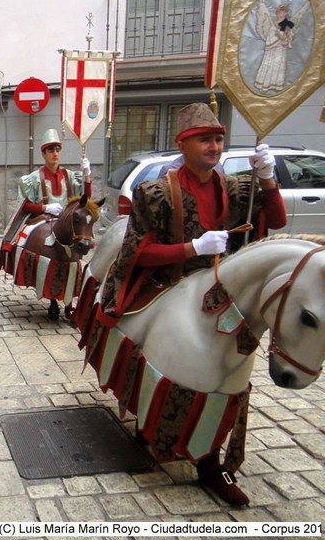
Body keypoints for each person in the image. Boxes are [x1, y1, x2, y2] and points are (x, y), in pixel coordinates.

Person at [91, 103, 286, 506]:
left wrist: (268, 180)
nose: (214, 146)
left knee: (234, 360)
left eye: (218, 138)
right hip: (169, 280)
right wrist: (190, 247)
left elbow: (278, 223)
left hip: (223, 285)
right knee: (143, 335)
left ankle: (211, 460)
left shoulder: (236, 188)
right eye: (204, 139)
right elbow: (138, 253)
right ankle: (147, 413)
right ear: (184, 144)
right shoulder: (155, 192)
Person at [0, 129, 92, 319]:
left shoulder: (71, 176)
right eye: (50, 150)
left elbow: (85, 198)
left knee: (77, 250)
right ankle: (53, 299)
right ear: (43, 153)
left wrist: (87, 176)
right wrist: (45, 207)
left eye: (57, 149)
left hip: (68, 222)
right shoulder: (32, 179)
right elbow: (25, 205)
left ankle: (70, 302)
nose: (55, 153)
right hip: (42, 220)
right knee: (36, 244)